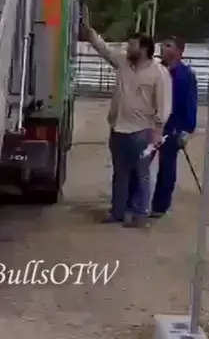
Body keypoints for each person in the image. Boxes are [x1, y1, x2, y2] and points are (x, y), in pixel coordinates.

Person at [81, 13, 172, 227]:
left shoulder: (159, 73)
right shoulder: (123, 63)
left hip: (142, 131)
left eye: (132, 45)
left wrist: (157, 132)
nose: (127, 48)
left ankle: (140, 214)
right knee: (119, 174)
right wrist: (90, 33)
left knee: (141, 175)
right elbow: (104, 50)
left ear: (144, 49)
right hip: (118, 128)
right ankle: (118, 212)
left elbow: (164, 104)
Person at [149, 36, 198, 218]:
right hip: (151, 126)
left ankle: (160, 206)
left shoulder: (186, 75)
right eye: (163, 45)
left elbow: (190, 103)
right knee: (140, 163)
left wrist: (187, 130)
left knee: (167, 168)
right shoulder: (153, 69)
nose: (163, 48)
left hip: (173, 128)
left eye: (168, 46)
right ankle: (134, 202)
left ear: (179, 51)